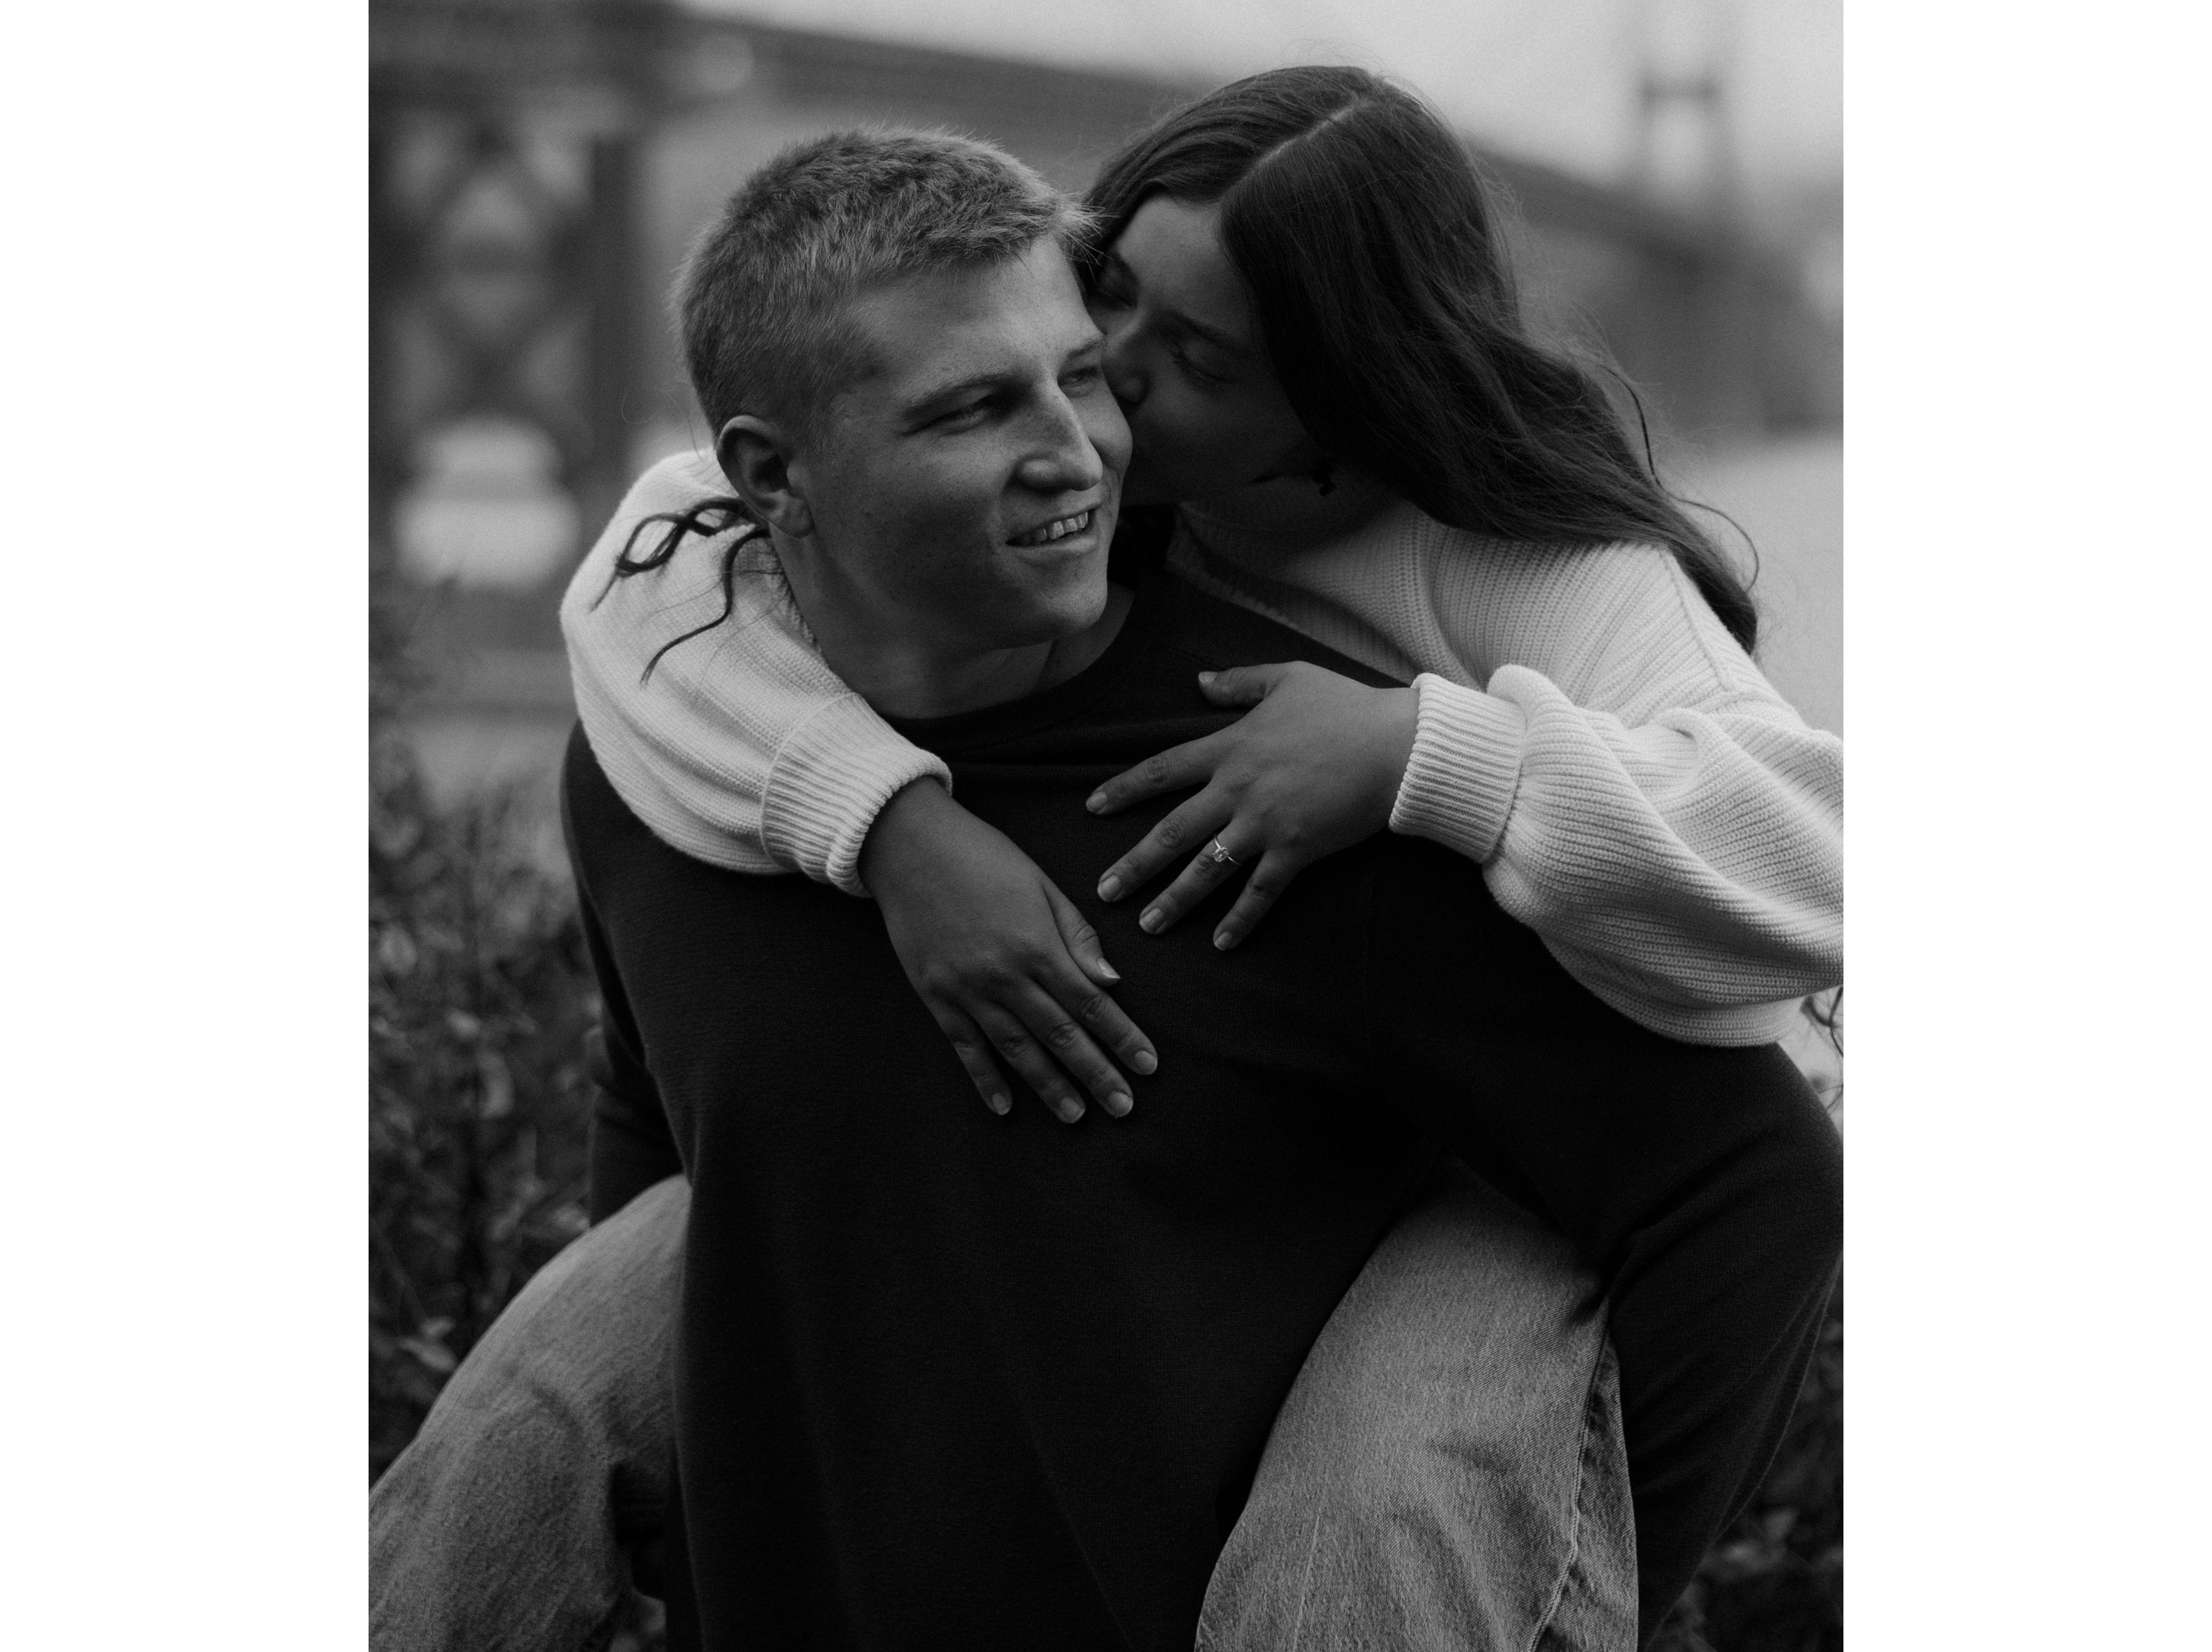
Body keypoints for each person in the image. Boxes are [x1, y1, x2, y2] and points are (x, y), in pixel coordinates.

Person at [561, 129, 1836, 1648]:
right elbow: (646, 573)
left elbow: (1798, 991)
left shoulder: (1508, 586)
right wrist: (888, 817)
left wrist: (1427, 751)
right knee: (498, 1449)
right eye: (1111, 304)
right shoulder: (708, 709)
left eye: (1195, 361)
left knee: (1373, 1523)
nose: (1106, 391)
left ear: (1340, 399)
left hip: (1563, 1122)